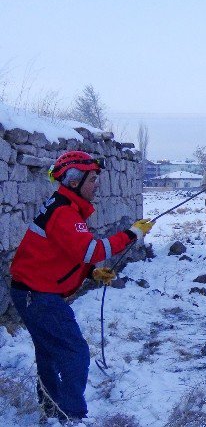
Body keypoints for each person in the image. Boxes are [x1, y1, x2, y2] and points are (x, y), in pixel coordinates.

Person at [9, 150, 154, 423]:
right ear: (74, 182)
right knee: (75, 353)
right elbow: (93, 250)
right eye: (92, 179)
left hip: (32, 292)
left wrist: (91, 273)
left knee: (49, 352)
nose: (97, 184)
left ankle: (52, 410)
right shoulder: (63, 212)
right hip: (38, 295)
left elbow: (66, 253)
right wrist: (132, 233)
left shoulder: (65, 207)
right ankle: (70, 415)